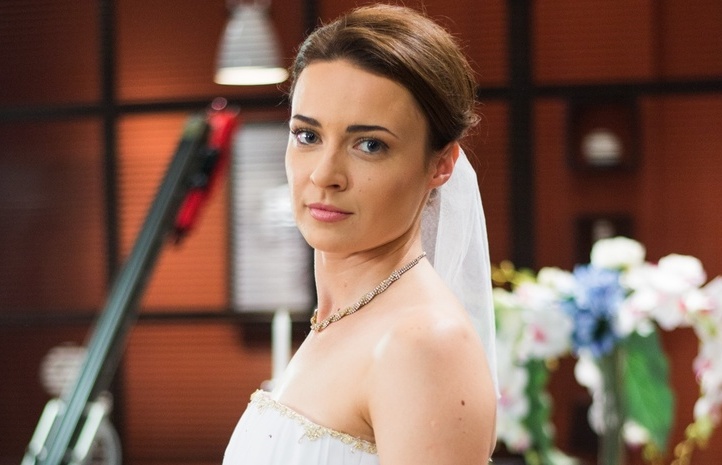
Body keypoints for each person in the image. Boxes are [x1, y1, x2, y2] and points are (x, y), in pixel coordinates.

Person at [223, 4, 498, 464]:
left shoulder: (424, 344)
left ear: (441, 164)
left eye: (369, 145)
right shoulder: (339, 320)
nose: (325, 175)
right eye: (308, 136)